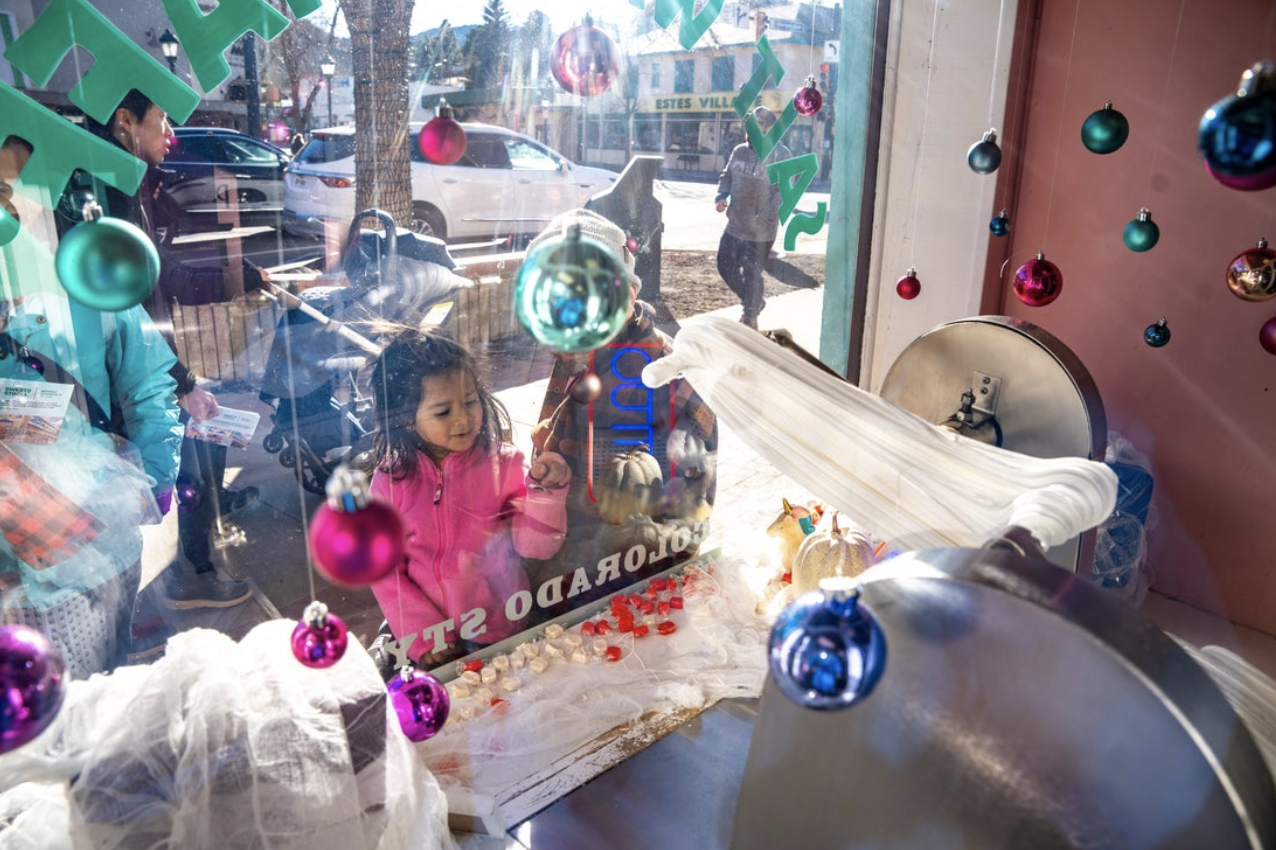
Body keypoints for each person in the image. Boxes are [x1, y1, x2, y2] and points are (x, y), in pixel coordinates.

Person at [55, 90, 257, 610]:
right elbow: (131, 306)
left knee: (196, 452)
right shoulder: (103, 191)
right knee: (173, 466)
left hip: (137, 367)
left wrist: (240, 276)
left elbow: (162, 273)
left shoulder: (119, 183)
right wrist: (181, 383)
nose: (172, 135)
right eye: (163, 121)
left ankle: (190, 561)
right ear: (125, 120)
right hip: (123, 375)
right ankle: (192, 576)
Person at [0, 135, 183, 677]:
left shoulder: (86, 279)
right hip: (15, 559)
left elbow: (150, 383)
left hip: (96, 540)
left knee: (98, 693)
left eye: (17, 185)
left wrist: (150, 478)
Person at [527, 209, 718, 615]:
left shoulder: (658, 369)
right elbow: (560, 435)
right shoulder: (580, 356)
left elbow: (696, 478)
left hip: (634, 564)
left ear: (629, 295)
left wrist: (664, 550)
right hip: (574, 547)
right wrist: (548, 468)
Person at [366, 328, 572, 670]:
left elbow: (537, 547)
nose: (463, 418)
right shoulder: (389, 483)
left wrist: (546, 493)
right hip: (428, 639)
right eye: (443, 412)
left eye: (471, 401)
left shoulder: (505, 464)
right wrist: (422, 635)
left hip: (499, 629)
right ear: (405, 419)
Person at [714, 105, 791, 330]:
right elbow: (727, 176)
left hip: (762, 229)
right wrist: (721, 195)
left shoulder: (781, 154)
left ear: (769, 128)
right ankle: (753, 301)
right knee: (724, 266)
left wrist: (764, 216)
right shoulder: (739, 151)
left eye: (758, 125)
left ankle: (750, 317)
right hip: (736, 223)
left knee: (751, 272)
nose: (752, 130)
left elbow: (784, 192)